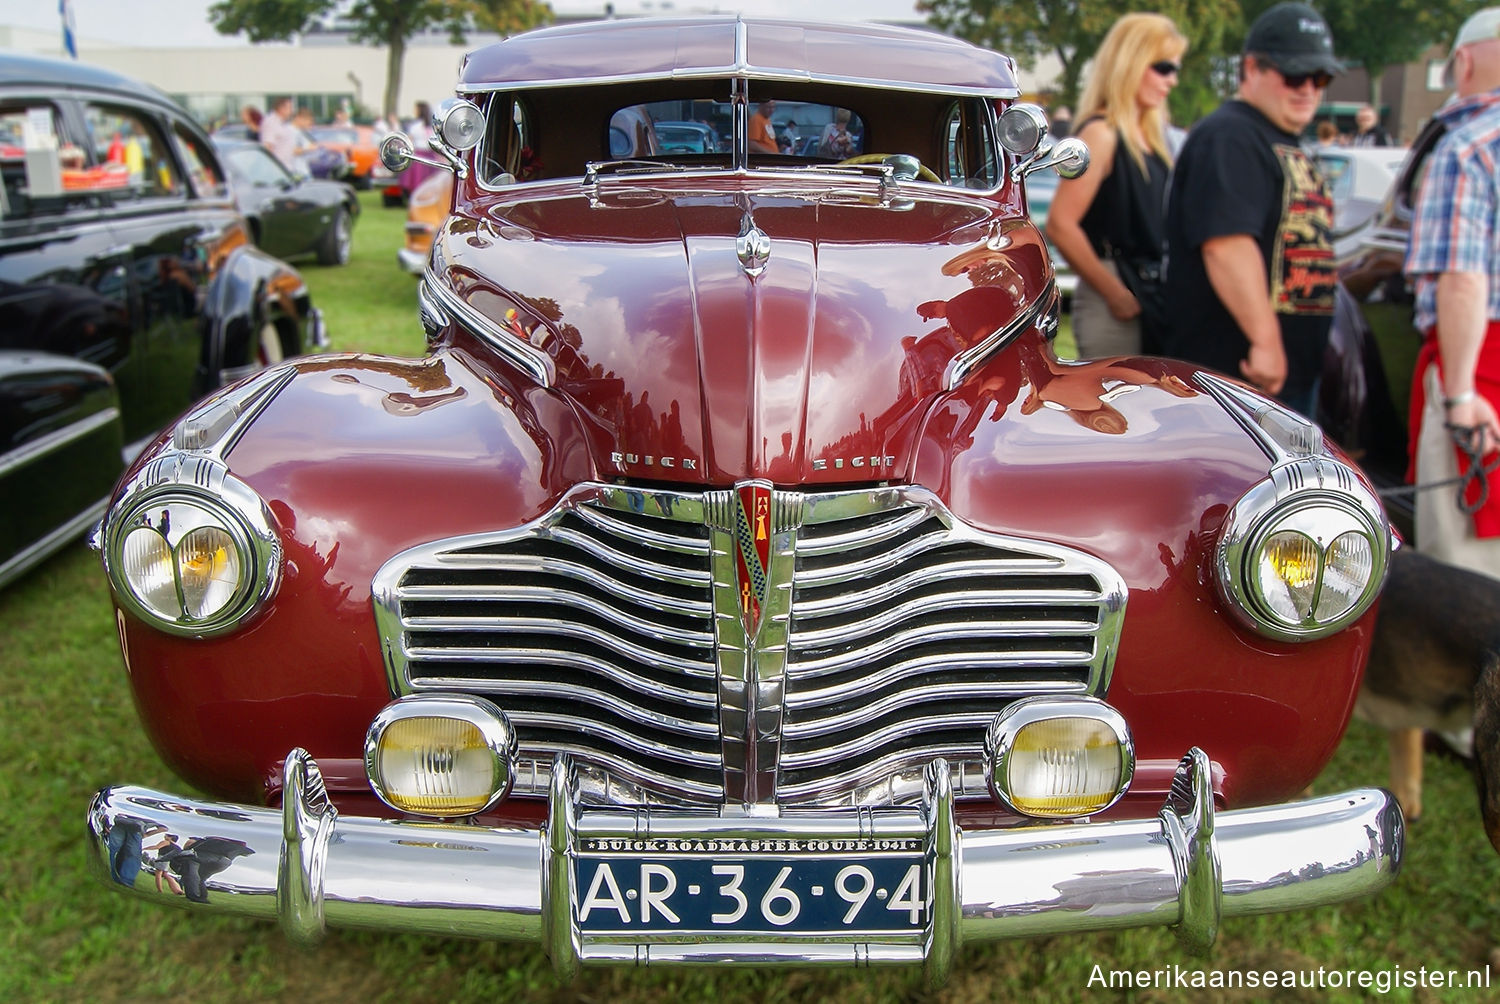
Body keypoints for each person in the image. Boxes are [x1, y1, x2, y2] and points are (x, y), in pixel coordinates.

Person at [1161, 2, 1341, 418]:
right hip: (1239, 380)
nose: (1308, 88)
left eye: (1321, 77)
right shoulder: (1230, 135)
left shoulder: (1276, 136)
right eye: (1295, 74)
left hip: (1284, 379)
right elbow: (1226, 244)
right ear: (1252, 68)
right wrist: (1265, 341)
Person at [1403, 7, 1500, 573]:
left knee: (1468, 573)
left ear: (1462, 60)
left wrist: (1461, 395)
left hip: (1481, 367)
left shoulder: (1469, 147)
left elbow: (1462, 278)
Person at [1045, 13, 1185, 358]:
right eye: (1164, 68)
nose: (1172, 81)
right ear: (1131, 63)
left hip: (1150, 289)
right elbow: (1061, 224)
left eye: (1175, 70)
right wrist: (1115, 293)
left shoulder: (1152, 137)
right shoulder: (1102, 133)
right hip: (1114, 291)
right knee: (1115, 406)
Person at [260, 96, 298, 169]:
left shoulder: (284, 123)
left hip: (288, 167)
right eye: (290, 108)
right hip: (277, 169)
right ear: (281, 108)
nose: (292, 111)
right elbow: (268, 147)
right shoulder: (271, 122)